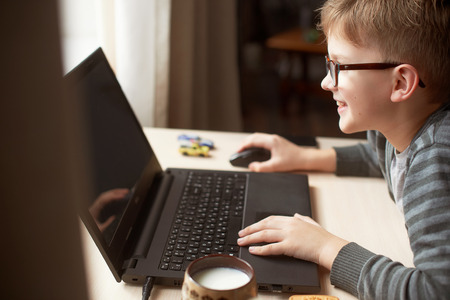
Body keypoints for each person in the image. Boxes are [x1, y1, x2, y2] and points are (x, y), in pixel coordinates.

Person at [236, 0, 450, 299]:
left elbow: (434, 292)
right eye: (328, 65)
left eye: (339, 66)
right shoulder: (393, 132)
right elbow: (384, 161)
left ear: (400, 83)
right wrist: (304, 157)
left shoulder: (437, 158)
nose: (326, 82)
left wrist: (324, 247)